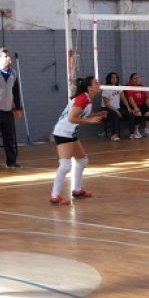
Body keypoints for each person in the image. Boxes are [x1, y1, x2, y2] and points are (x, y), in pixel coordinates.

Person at [49, 76, 106, 205]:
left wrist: (97, 114)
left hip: (70, 133)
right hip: (63, 132)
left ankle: (77, 190)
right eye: (96, 83)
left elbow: (81, 114)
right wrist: (90, 121)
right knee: (65, 166)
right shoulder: (82, 98)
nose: (99, 84)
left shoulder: (87, 98)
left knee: (82, 161)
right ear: (89, 87)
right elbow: (71, 118)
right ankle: (55, 196)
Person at [102, 71, 134, 141]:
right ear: (109, 79)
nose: (114, 79)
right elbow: (107, 104)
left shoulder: (119, 86)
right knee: (115, 114)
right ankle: (114, 135)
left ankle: (132, 133)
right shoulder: (106, 88)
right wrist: (116, 111)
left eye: (115, 77)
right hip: (106, 109)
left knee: (130, 114)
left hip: (117, 108)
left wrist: (128, 107)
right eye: (112, 77)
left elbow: (123, 98)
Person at [124, 73, 149, 138]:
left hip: (141, 105)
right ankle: (136, 131)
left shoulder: (141, 86)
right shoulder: (128, 86)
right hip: (132, 105)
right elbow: (130, 99)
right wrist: (135, 107)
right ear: (131, 80)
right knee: (138, 113)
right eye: (135, 78)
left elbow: (147, 98)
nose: (137, 79)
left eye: (138, 78)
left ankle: (146, 130)